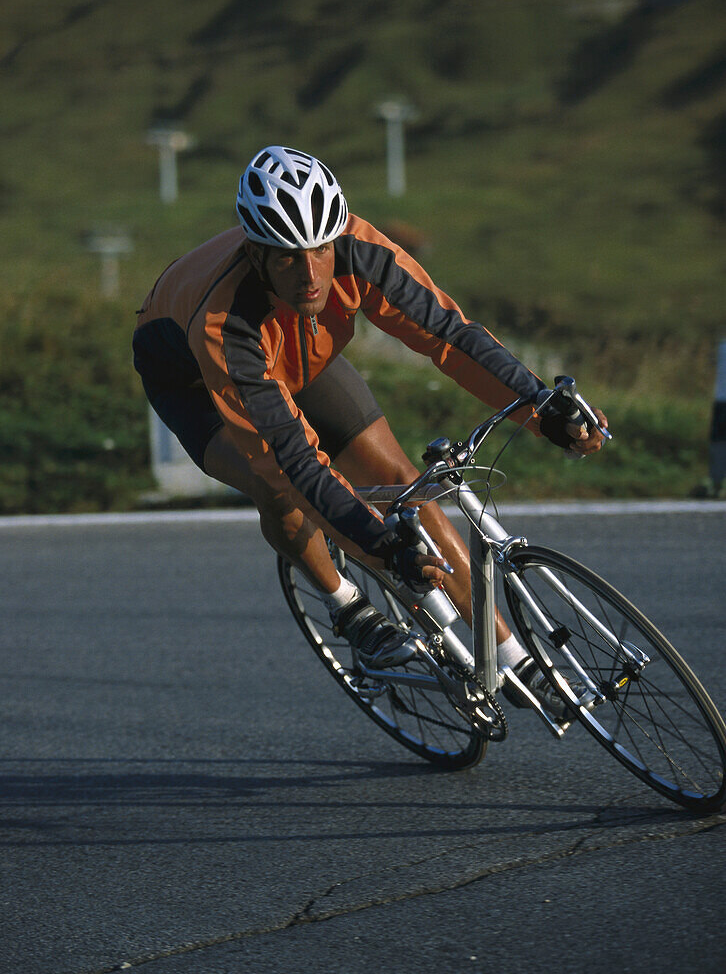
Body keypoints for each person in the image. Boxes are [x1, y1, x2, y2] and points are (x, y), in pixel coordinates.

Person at [133, 145, 608, 715]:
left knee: (402, 479)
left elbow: (449, 336)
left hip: (302, 355)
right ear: (255, 254)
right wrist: (383, 549)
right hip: (197, 384)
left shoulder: (360, 248)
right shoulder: (223, 322)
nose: (309, 274)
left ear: (338, 234)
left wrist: (539, 407)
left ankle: (511, 657)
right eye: (286, 258)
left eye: (319, 250)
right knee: (281, 489)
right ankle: (345, 604)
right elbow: (298, 462)